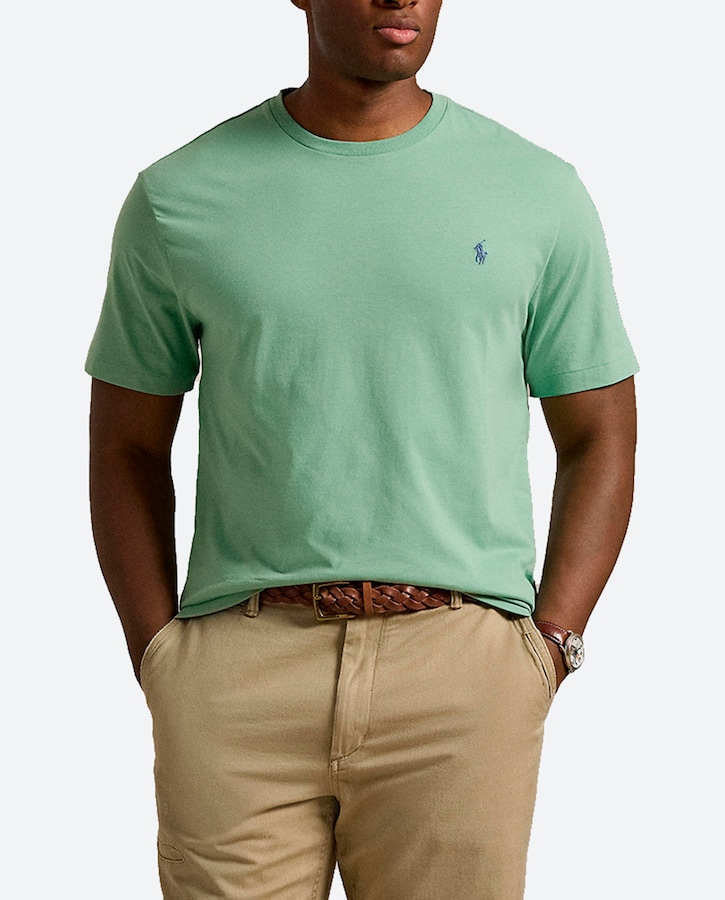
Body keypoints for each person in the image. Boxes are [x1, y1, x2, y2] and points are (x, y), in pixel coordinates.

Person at [86, 1, 638, 897]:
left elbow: (599, 432)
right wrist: (162, 656)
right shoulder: (179, 195)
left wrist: (549, 646)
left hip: (460, 673)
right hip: (238, 674)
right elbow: (127, 444)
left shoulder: (536, 192)